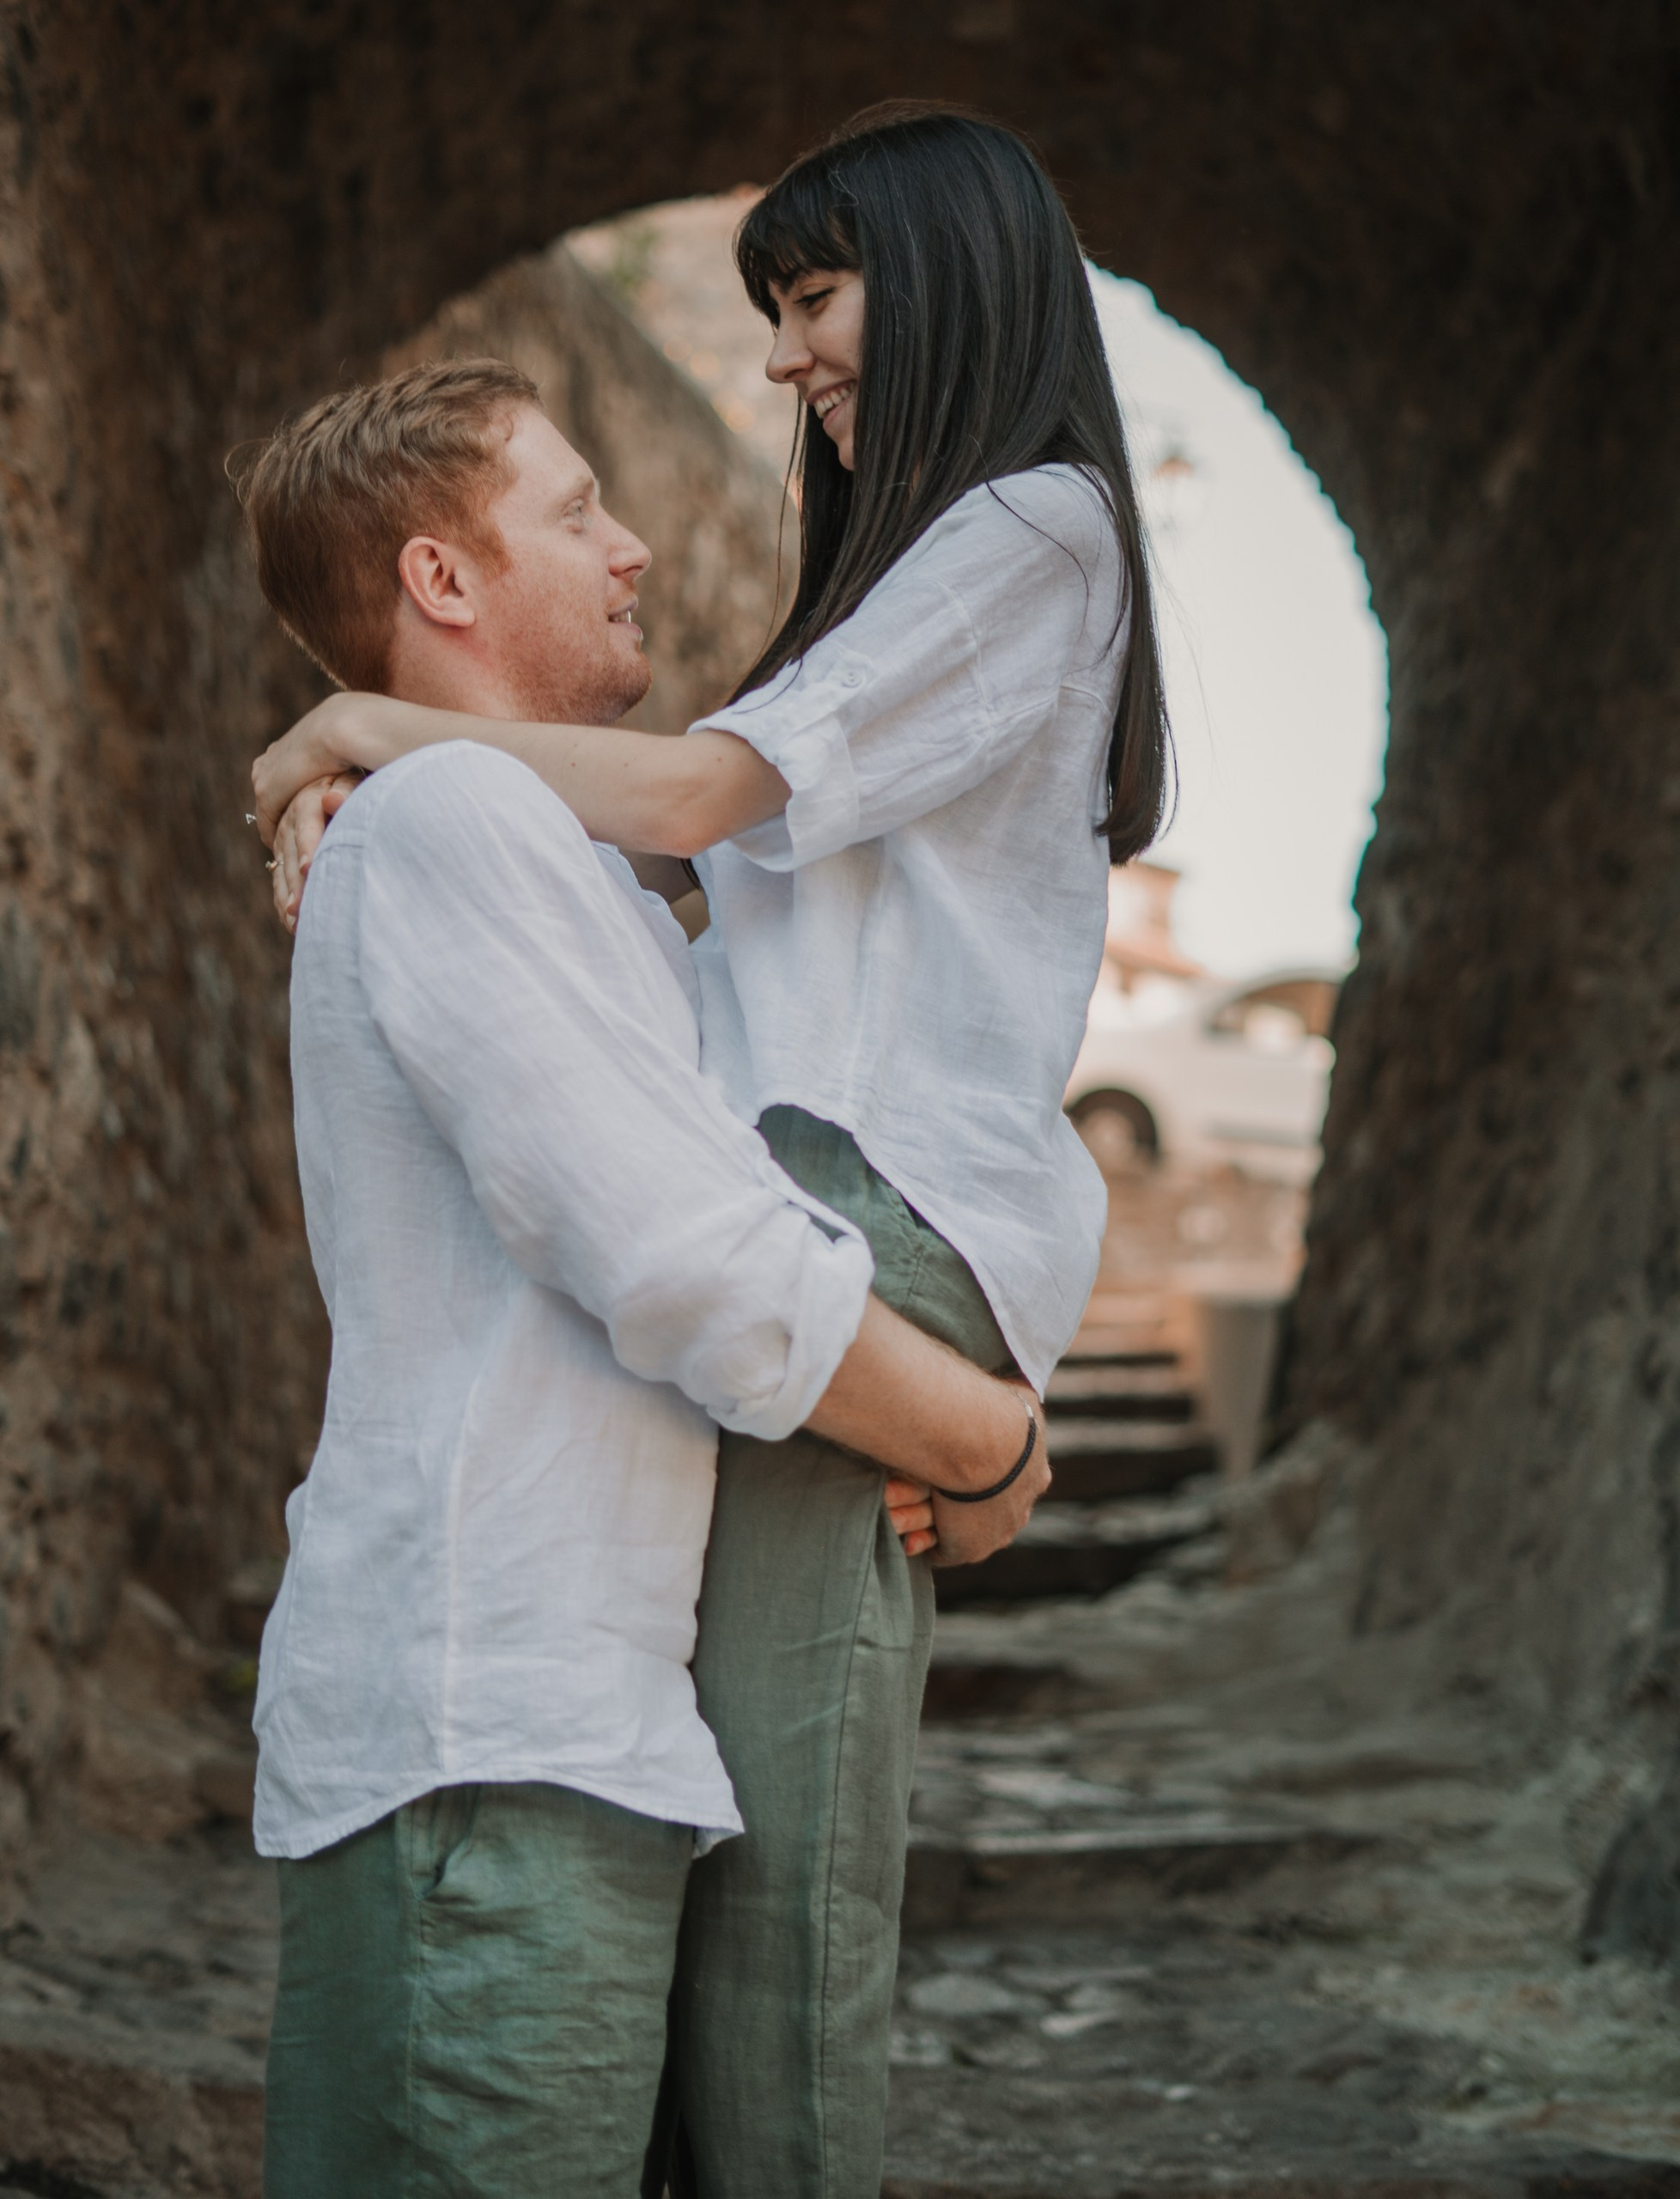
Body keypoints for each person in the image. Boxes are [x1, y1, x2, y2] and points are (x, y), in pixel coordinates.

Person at [252, 104, 1171, 2198]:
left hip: (862, 1213)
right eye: (771, 309)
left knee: (787, 1932)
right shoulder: (541, 807)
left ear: (945, 281)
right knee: (744, 1884)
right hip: (800, 1215)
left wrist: (370, 727)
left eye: (816, 296)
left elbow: (684, 808)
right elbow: (679, 880)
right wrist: (397, 772)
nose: (780, 358)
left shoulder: (1037, 525)